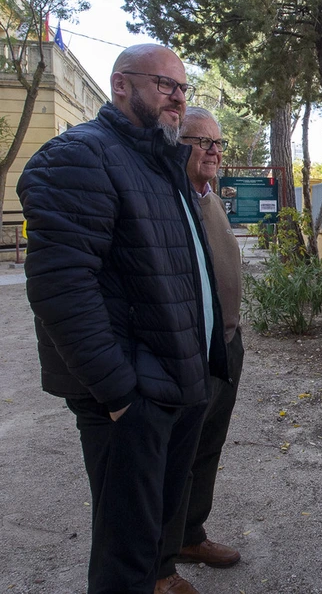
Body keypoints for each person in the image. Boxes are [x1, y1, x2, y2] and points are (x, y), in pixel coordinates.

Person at [16, 44, 228, 594]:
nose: (178, 99)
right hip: (131, 392)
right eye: (165, 86)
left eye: (183, 89)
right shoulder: (80, 155)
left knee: (157, 521)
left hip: (177, 376)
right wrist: (117, 393)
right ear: (120, 86)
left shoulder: (159, 161)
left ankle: (160, 574)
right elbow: (61, 288)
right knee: (123, 549)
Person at [155, 108, 244, 594]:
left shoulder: (210, 197)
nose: (212, 151)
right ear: (175, 145)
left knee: (206, 449)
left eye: (217, 143)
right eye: (200, 141)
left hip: (226, 346)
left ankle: (191, 536)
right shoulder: (170, 198)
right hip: (189, 352)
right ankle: (160, 567)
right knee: (174, 460)